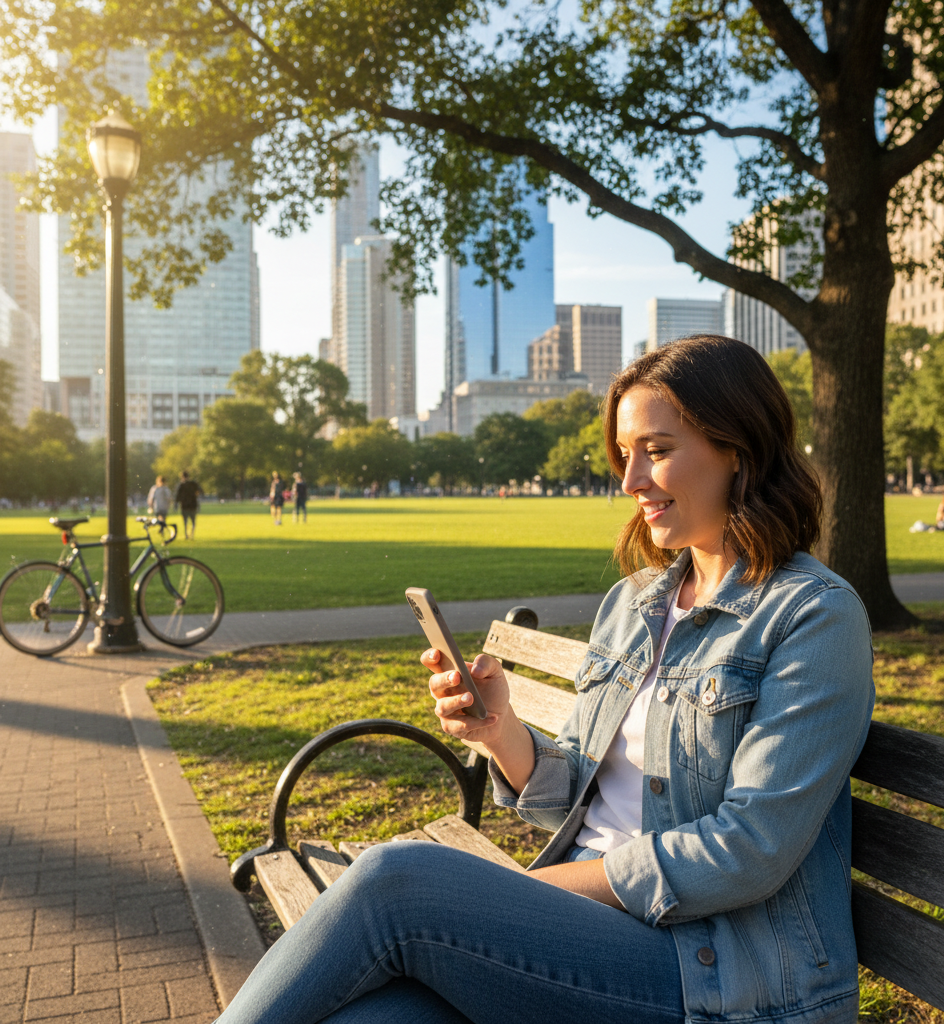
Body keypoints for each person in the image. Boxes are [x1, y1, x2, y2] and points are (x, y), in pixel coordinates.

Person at [214, 336, 875, 1024]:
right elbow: (584, 799)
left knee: (393, 879)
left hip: (721, 974)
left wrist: (547, 890)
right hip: (596, 939)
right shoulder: (635, 603)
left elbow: (748, 852)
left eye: (657, 449)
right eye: (625, 455)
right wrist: (500, 734)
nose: (630, 481)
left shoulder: (812, 617)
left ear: (738, 447)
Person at [174, 471, 204, 540]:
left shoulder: (181, 485)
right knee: (193, 521)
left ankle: (186, 535)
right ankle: (192, 534)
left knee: (185, 521)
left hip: (184, 506)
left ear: (182, 477)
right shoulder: (193, 484)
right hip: (193, 505)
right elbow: (200, 491)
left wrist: (176, 505)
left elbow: (177, 496)